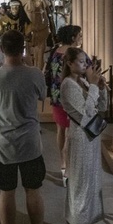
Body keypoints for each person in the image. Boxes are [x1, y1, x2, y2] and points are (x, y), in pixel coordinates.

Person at [0, 30, 46, 224]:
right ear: (23, 48)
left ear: (1, 49)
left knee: (6, 191)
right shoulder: (35, 73)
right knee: (33, 190)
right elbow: (42, 96)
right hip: (30, 142)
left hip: (3, 144)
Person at [60, 47, 108, 224]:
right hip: (80, 139)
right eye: (80, 62)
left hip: (91, 139)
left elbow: (101, 108)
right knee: (80, 185)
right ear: (70, 63)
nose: (84, 65)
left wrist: (101, 88)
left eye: (85, 61)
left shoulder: (82, 81)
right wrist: (94, 86)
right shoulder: (68, 85)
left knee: (89, 183)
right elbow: (86, 114)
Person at [44, 24, 84, 184]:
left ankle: (62, 163)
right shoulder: (75, 53)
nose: (81, 37)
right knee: (71, 132)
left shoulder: (55, 51)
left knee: (61, 129)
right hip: (71, 95)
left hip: (56, 94)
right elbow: (86, 71)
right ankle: (69, 170)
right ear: (73, 37)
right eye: (79, 35)